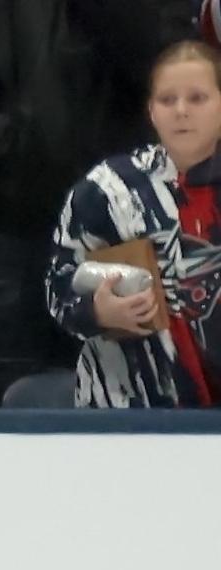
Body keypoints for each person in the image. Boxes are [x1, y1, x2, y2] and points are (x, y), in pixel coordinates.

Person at [0, 0, 187, 405]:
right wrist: (22, 162)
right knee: (9, 398)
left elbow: (171, 73)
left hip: (126, 230)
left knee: (136, 393)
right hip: (19, 226)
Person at [48, 41, 221, 408]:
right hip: (127, 412)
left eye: (197, 98)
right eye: (167, 99)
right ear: (151, 111)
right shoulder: (107, 190)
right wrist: (96, 311)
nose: (181, 111)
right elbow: (57, 286)